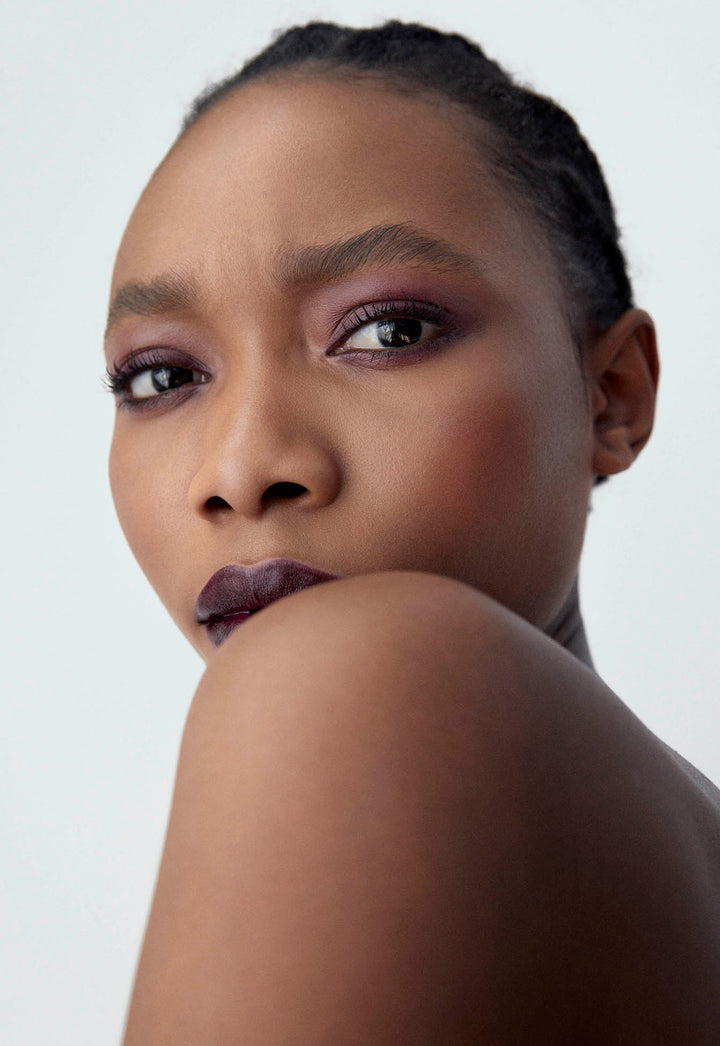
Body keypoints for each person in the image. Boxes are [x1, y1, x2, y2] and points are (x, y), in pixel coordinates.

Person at [105, 21, 720, 1043]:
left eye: (388, 330)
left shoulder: (346, 673)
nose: (241, 468)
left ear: (612, 394)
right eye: (161, 377)